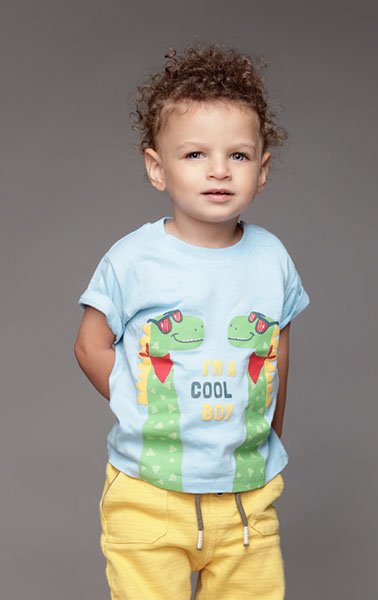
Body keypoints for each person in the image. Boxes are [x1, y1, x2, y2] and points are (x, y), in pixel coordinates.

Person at [74, 42, 310, 600]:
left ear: (262, 169)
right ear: (158, 168)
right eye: (195, 154)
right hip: (149, 495)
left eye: (239, 155)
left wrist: (266, 437)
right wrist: (143, 405)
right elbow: (90, 346)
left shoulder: (272, 259)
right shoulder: (133, 260)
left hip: (245, 500)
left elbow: (275, 355)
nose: (219, 170)